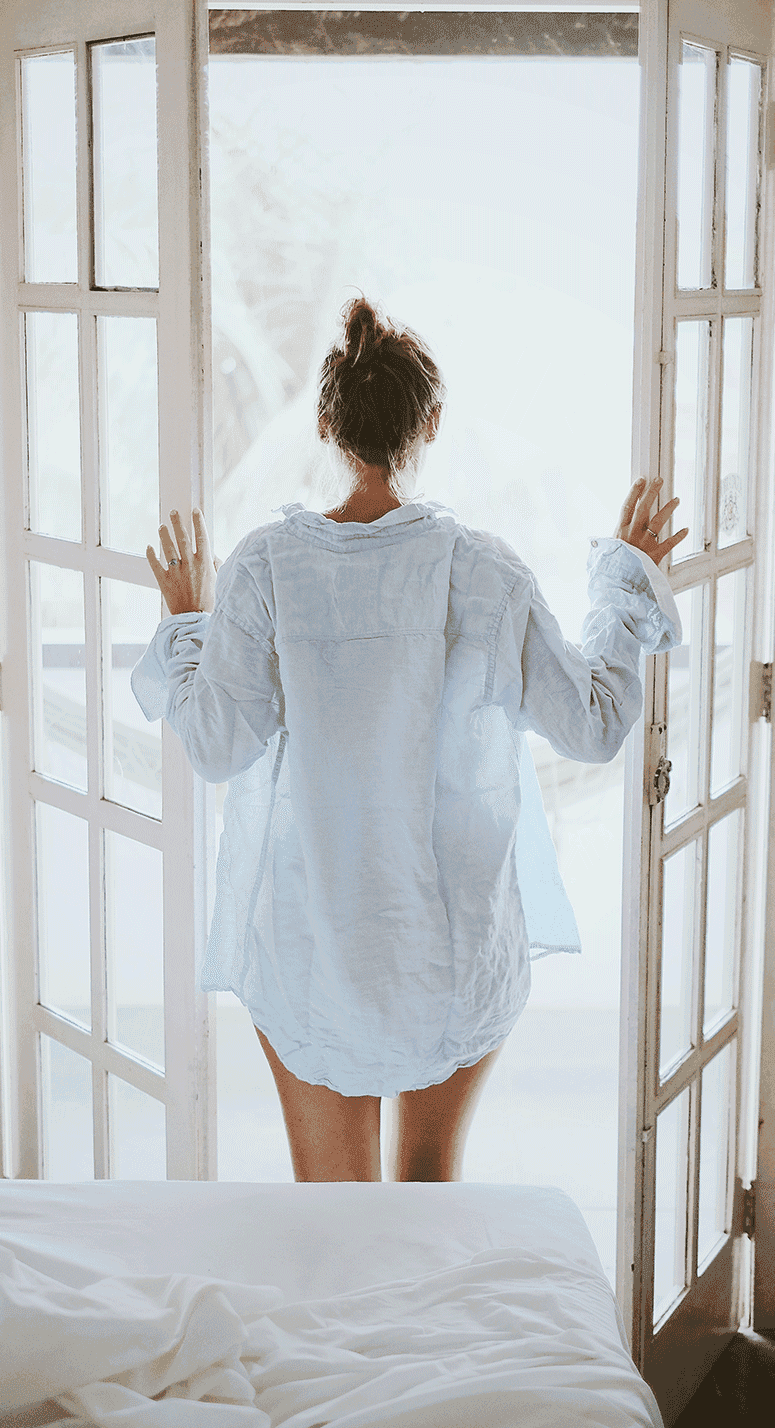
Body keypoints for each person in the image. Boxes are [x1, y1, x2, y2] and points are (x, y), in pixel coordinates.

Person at [131, 296, 686, 1185]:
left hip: (311, 949)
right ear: (430, 423)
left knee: (332, 1209)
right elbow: (591, 725)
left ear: (324, 422)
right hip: (452, 952)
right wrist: (625, 586)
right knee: (428, 1194)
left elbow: (216, 748)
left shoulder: (265, 570)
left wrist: (189, 619)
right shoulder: (486, 570)